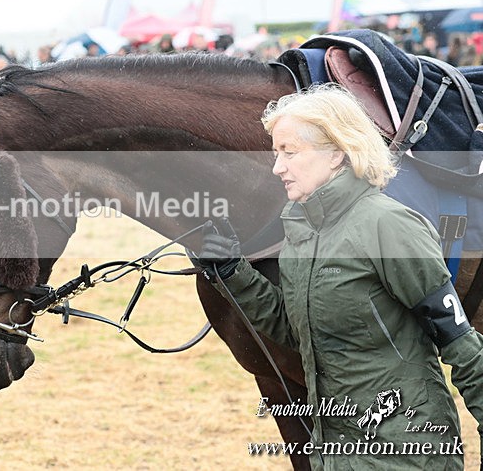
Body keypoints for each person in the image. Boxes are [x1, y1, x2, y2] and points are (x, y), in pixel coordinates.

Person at [198, 84, 483, 470]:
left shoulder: (388, 224)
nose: (277, 167)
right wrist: (232, 273)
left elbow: (458, 339)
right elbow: (297, 330)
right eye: (276, 153)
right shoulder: (301, 231)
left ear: (337, 153)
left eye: (290, 152)